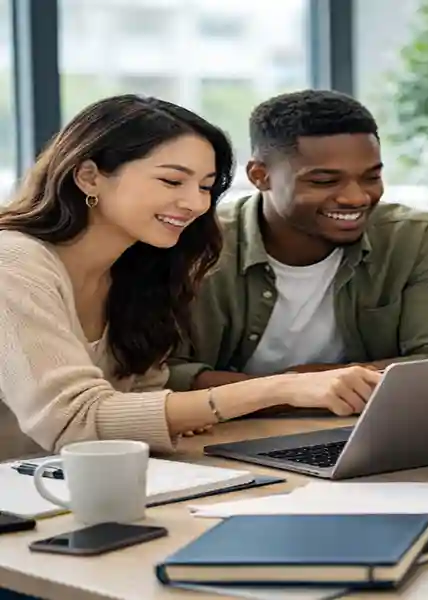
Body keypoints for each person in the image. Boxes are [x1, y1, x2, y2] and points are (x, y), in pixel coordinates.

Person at [0, 95, 381, 459]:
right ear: (89, 176)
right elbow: (75, 422)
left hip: (65, 491)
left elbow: (139, 401)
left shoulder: (137, 271)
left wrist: (178, 414)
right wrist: (279, 387)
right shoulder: (13, 261)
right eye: (171, 181)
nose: (197, 204)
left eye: (205, 186)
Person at [167, 90, 428, 394]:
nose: (356, 197)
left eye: (371, 177)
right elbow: (160, 375)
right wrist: (288, 391)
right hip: (223, 433)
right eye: (324, 181)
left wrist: (323, 383)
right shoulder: (192, 245)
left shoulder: (416, 238)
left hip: (365, 430)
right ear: (260, 176)